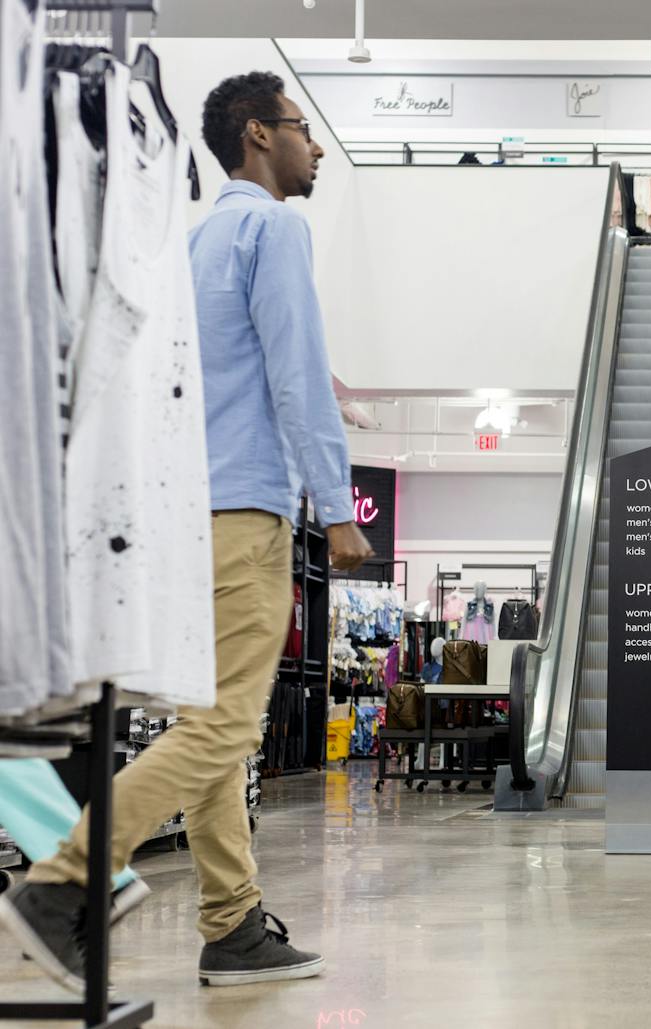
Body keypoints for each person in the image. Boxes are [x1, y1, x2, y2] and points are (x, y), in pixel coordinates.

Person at [2, 71, 372, 992]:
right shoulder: (275, 229)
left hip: (180, 511)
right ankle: (63, 881)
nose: (316, 146)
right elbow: (296, 370)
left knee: (211, 724)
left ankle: (232, 921)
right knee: (224, 726)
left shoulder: (197, 237)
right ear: (258, 136)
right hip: (247, 508)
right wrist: (335, 505)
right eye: (303, 128)